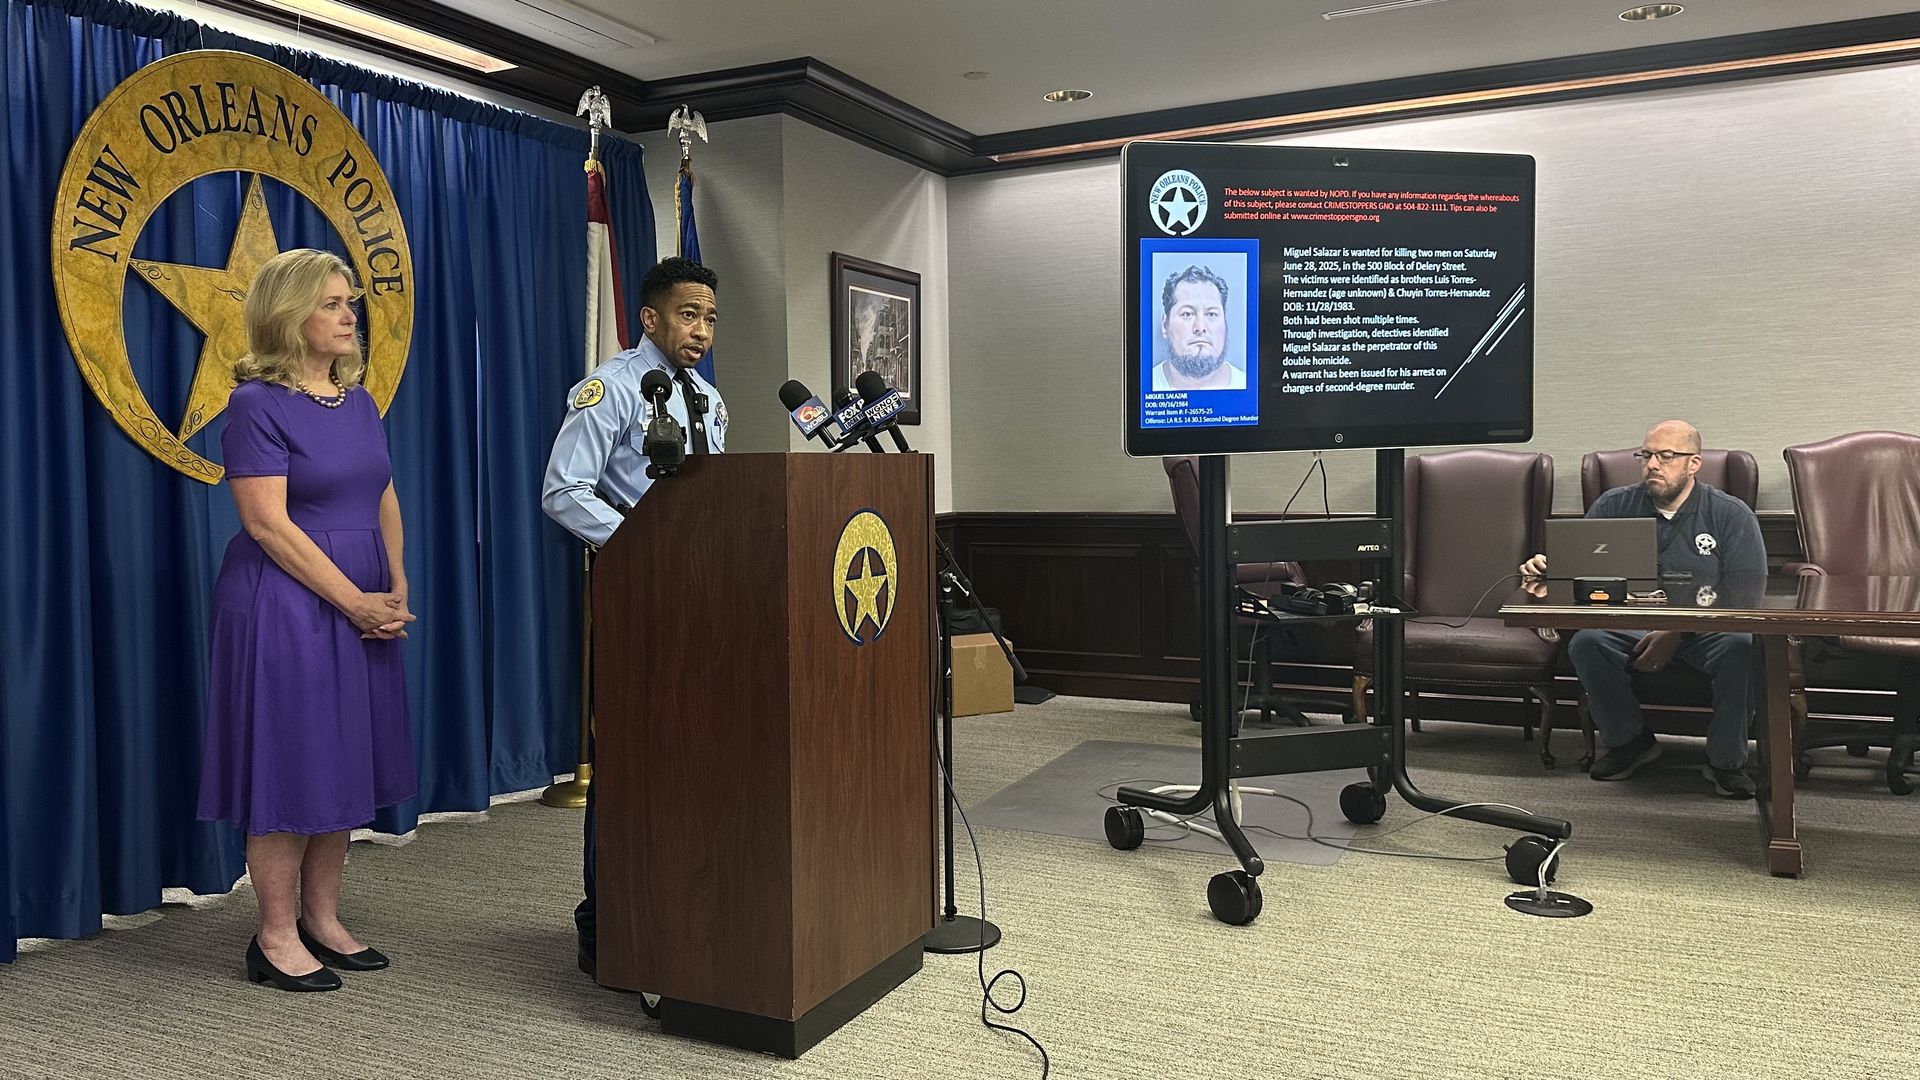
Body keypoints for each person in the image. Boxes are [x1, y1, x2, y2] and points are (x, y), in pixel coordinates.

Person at [197, 248, 417, 992]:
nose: (350, 315)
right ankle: (274, 935)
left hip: (362, 596)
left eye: (350, 301)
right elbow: (267, 525)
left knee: (343, 758)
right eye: (332, 303)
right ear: (288, 315)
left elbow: (382, 494)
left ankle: (322, 919)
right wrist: (354, 601)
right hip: (285, 602)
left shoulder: (358, 401)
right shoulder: (255, 404)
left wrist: (393, 582)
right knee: (292, 762)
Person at [541, 256, 726, 1001]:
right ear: (650, 318)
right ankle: (606, 920)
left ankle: (680, 906)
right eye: (688, 315)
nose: (701, 331)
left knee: (691, 756)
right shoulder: (611, 387)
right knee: (630, 760)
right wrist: (642, 546)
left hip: (703, 597)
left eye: (709, 319)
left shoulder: (707, 398)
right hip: (635, 592)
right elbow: (563, 490)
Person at [1519, 420, 1763, 798]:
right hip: (1628, 625)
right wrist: (1548, 569)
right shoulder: (1613, 505)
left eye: (1666, 456)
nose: (1652, 464)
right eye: (1646, 455)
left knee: (1741, 646)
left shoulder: (1731, 514)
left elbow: (1746, 595)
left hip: (1705, 629)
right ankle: (1630, 742)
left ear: (1694, 463)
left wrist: (1676, 630)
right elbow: (1581, 575)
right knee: (1588, 643)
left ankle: (1726, 760)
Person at [1151, 264, 1246, 391]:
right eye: (1187, 314)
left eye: (1211, 314)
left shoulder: (1248, 386)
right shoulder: (1144, 385)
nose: (1200, 327)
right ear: (1164, 325)